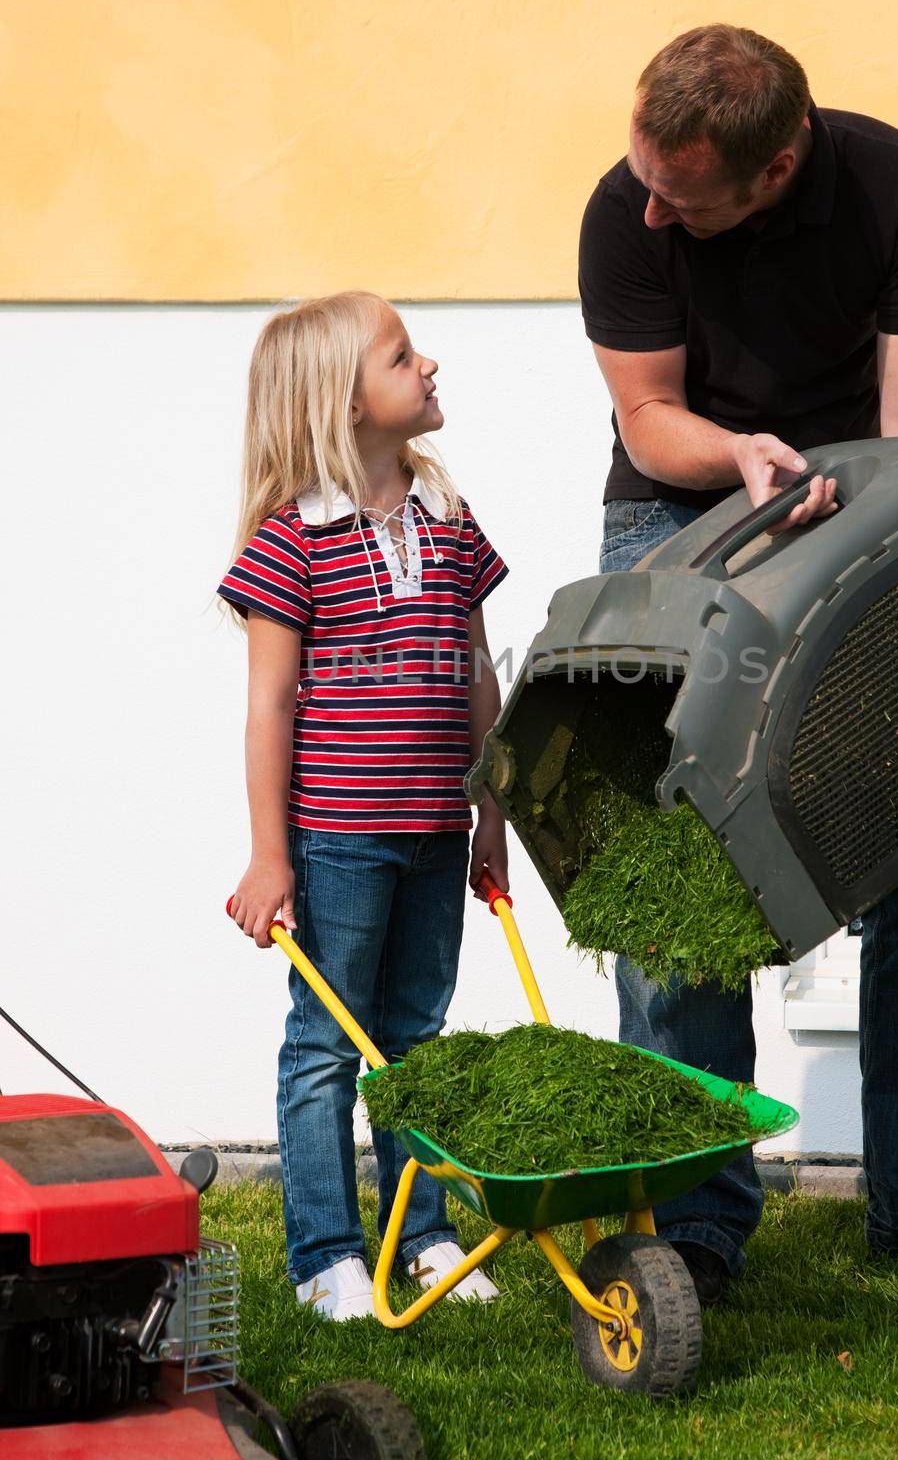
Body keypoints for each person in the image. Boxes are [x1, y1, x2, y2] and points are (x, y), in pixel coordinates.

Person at [579, 23, 898, 1302]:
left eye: (678, 195)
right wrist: (742, 452)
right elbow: (645, 416)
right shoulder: (622, 213)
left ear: (777, 162)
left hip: (859, 504)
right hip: (676, 516)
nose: (645, 206)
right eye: (644, 177)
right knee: (674, 886)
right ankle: (691, 1227)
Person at [218, 290, 510, 1320]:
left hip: (437, 833)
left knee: (417, 1037)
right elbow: (268, 705)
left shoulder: (448, 517)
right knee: (328, 1043)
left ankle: (421, 1229)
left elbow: (478, 672)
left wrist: (492, 816)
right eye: (400, 356)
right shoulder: (292, 542)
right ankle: (326, 1254)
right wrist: (270, 856)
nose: (426, 365)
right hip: (338, 840)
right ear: (343, 404)